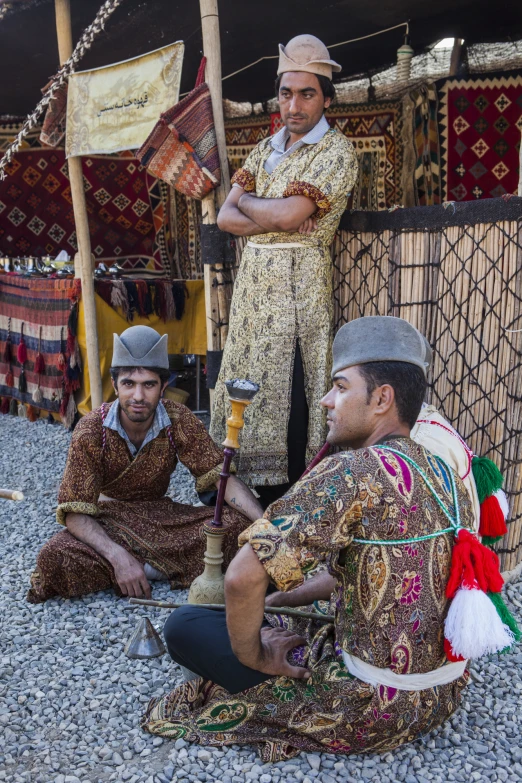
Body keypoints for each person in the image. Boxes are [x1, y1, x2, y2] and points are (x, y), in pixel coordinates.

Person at [142, 316, 474, 761]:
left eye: (339, 387)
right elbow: (393, 572)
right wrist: (289, 596)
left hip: (363, 707)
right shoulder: (444, 473)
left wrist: (258, 656)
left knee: (185, 624)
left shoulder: (352, 471)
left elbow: (242, 577)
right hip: (438, 697)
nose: (324, 401)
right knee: (285, 607)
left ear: (381, 398)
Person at [211, 34, 358, 506]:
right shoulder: (264, 148)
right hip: (253, 293)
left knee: (292, 396)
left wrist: (255, 210)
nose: (293, 105)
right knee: (248, 389)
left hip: (298, 294)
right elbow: (224, 217)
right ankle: (246, 502)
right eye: (285, 93)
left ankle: (290, 510)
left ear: (326, 98)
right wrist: (270, 213)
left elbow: (284, 217)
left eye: (307, 93)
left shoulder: (336, 153)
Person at [27, 326, 263, 604]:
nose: (138, 396)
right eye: (129, 384)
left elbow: (218, 476)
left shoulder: (178, 418)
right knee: (53, 556)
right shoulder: (90, 430)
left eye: (148, 384)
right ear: (115, 385)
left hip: (161, 518)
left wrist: (263, 524)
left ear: (163, 387)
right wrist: (117, 556)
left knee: (236, 526)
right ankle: (143, 567)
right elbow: (74, 511)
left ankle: (141, 569)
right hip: (109, 521)